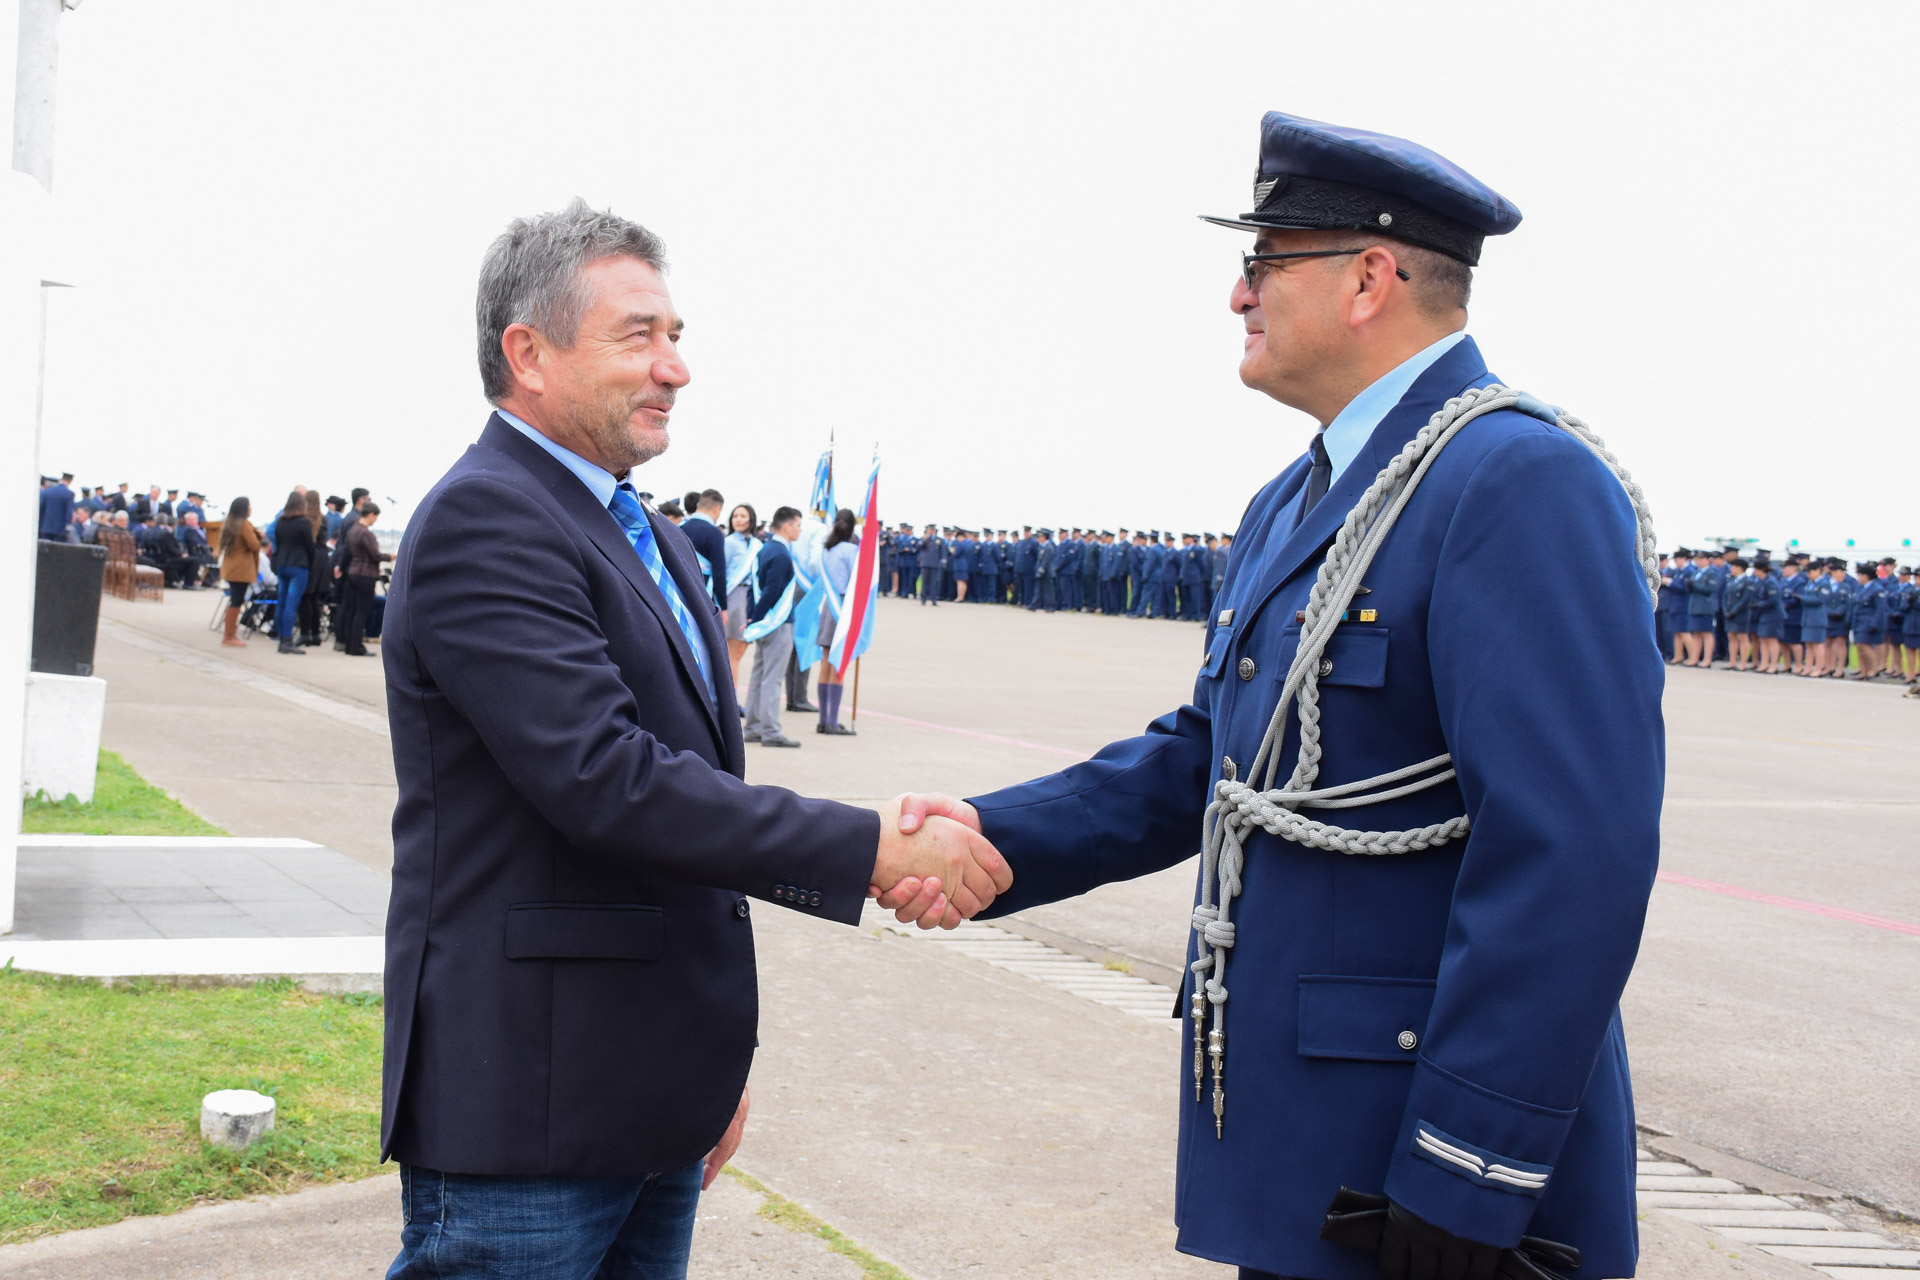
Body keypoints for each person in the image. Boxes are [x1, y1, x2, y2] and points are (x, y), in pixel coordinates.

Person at [884, 111, 1661, 1280]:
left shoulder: (1517, 480)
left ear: (1369, 278)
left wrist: (1465, 1173)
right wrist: (995, 834)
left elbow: (1572, 854)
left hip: (1430, 1182)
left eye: (1263, 261)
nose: (1237, 295)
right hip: (1309, 1159)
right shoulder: (1292, 503)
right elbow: (1218, 760)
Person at [382, 200, 1008, 1280]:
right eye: (639, 336)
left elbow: (695, 804)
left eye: (677, 337)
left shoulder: (654, 533)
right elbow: (610, 781)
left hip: (652, 1092)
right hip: (532, 1103)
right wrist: (874, 848)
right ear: (527, 353)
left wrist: (705, 1070)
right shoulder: (488, 519)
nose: (674, 368)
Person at [744, 505, 806, 747]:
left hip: (764, 624)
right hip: (777, 624)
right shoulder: (780, 554)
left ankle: (753, 726)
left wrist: (753, 618)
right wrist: (759, 617)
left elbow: (755, 588)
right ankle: (770, 731)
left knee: (760, 675)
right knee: (772, 679)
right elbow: (772, 591)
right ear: (787, 526)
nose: (800, 530)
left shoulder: (766, 549)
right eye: (798, 525)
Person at [812, 507, 860, 735]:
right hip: (843, 606)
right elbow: (855, 582)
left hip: (827, 607)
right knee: (839, 663)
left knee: (825, 662)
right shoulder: (852, 550)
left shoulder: (827, 548)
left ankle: (823, 720)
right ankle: (832, 720)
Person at [336, 501, 387, 656]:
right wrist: (392, 556)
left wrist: (340, 567)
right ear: (370, 515)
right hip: (366, 575)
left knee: (352, 611)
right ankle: (356, 647)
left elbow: (347, 551)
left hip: (353, 573)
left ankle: (348, 645)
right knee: (362, 612)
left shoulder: (352, 530)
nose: (374, 521)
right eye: (375, 518)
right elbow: (376, 555)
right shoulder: (365, 533)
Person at [268, 490, 315, 656]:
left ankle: (282, 638)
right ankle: (287, 640)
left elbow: (278, 544)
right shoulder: (304, 522)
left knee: (281, 602)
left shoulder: (281, 521)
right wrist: (311, 561)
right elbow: (310, 546)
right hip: (299, 564)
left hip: (283, 563)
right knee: (291, 604)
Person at [721, 503, 759, 692]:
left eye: (742, 516)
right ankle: (732, 698)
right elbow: (723, 572)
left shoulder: (755, 544)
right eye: (735, 516)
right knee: (733, 651)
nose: (738, 519)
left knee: (741, 649)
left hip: (750, 597)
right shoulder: (729, 542)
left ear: (751, 519)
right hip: (734, 596)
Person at [678, 489, 731, 618]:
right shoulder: (715, 533)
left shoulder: (679, 528)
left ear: (698, 506)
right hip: (703, 594)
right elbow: (719, 573)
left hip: (678, 591)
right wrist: (723, 607)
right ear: (717, 509)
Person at [218, 497, 263, 648]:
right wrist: (259, 537)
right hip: (241, 570)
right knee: (237, 602)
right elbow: (253, 545)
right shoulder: (244, 525)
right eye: (249, 506)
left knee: (235, 600)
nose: (251, 509)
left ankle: (229, 632)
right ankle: (229, 634)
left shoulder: (231, 523)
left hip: (232, 568)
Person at [38, 472, 74, 541]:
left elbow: (42, 510)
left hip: (46, 527)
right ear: (70, 481)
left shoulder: (46, 492)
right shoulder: (69, 493)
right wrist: (68, 526)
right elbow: (68, 512)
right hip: (60, 530)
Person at [916, 522, 946, 606]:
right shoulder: (925, 539)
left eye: (932, 530)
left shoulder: (940, 540)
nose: (931, 531)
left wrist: (943, 561)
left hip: (935, 564)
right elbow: (918, 547)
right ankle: (923, 599)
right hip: (925, 563)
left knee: (934, 582)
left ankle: (933, 599)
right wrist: (924, 539)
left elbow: (943, 552)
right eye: (929, 530)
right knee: (924, 582)